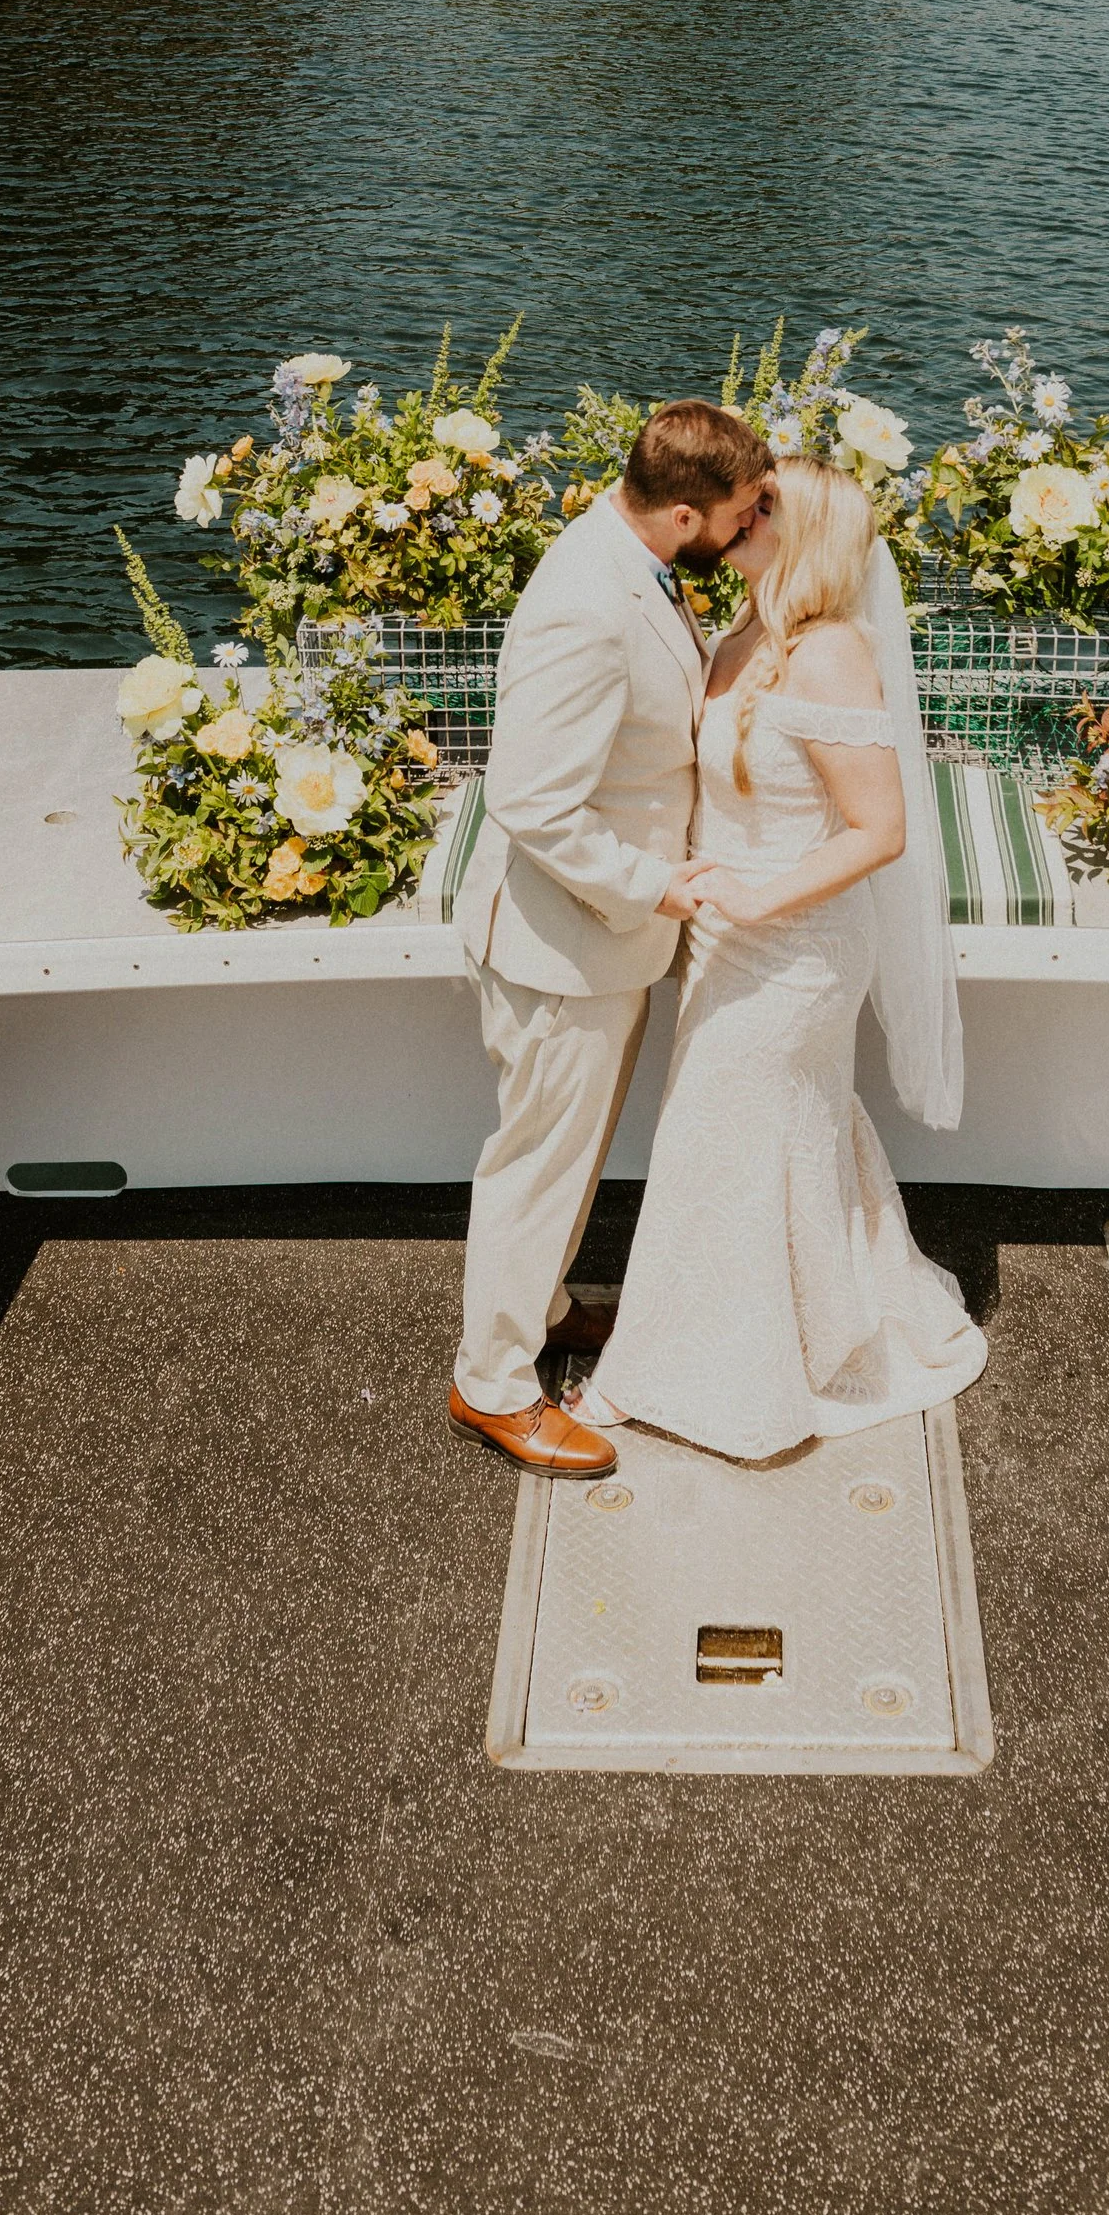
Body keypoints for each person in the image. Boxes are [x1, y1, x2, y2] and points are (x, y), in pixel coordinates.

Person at [568, 458, 986, 1462]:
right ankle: (806, 1324)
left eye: (764, 509)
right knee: (748, 1132)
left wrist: (756, 893)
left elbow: (876, 829)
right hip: (724, 930)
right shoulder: (744, 632)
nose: (741, 516)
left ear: (804, 536)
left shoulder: (832, 653)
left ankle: (673, 1378)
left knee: (721, 1134)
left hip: (796, 943)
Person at [448, 398, 775, 1475]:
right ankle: (491, 1386)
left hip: (595, 943)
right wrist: (651, 886)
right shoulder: (586, 606)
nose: (750, 525)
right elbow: (533, 802)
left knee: (564, 1154)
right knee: (538, 1163)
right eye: (741, 511)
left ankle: (537, 1306)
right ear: (684, 515)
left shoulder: (630, 553)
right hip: (566, 946)